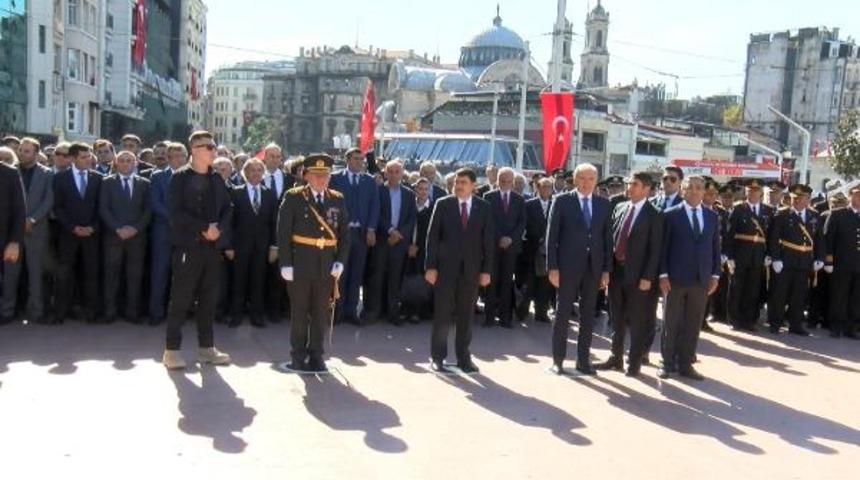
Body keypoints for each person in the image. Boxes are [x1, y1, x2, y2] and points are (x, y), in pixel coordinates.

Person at [162, 131, 232, 370]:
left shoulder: (216, 178)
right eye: (209, 147)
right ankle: (171, 351)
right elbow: (175, 213)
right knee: (181, 299)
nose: (214, 151)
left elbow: (227, 208)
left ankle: (206, 348)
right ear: (195, 149)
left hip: (212, 249)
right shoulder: (180, 178)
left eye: (214, 146)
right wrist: (203, 227)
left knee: (208, 300)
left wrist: (218, 229)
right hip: (187, 247)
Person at [277, 154, 349, 372]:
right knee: (299, 311)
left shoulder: (337, 198)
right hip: (300, 263)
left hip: (326, 264)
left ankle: (317, 354)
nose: (321, 179)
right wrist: (285, 263)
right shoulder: (294, 197)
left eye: (325, 175)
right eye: (316, 175)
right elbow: (283, 233)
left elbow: (345, 235)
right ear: (306, 175)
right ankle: (297, 355)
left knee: (321, 312)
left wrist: (340, 262)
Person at [424, 168, 493, 373]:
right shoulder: (443, 204)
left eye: (463, 182)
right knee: (442, 315)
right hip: (445, 270)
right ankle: (438, 357)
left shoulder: (484, 207)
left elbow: (488, 241)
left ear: (473, 185)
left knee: (466, 316)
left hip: (471, 271)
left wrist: (486, 270)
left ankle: (464, 357)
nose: (459, 186)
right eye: (456, 182)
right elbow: (432, 238)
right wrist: (430, 267)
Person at [546, 163, 612, 375]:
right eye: (582, 178)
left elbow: (606, 239)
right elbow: (551, 237)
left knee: (588, 316)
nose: (586, 183)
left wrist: (606, 270)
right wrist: (553, 267)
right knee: (563, 313)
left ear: (596, 181)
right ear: (574, 180)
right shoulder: (562, 201)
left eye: (591, 179)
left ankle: (583, 360)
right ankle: (558, 360)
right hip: (567, 268)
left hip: (593, 268)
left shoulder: (603, 204)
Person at [595, 172, 663, 377]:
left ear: (646, 189)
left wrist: (648, 278)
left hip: (639, 277)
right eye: (628, 183)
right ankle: (615, 357)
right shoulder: (620, 207)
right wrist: (606, 270)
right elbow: (611, 240)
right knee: (616, 318)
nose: (629, 187)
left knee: (638, 320)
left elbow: (656, 250)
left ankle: (634, 363)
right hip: (617, 273)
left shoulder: (656, 214)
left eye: (634, 184)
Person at [658, 176, 721, 381]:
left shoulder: (712, 216)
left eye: (699, 188)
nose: (695, 191)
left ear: (704, 192)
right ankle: (666, 363)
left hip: (701, 278)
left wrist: (715, 274)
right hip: (675, 278)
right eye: (690, 187)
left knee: (693, 323)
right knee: (671, 322)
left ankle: (686, 363)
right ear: (683, 190)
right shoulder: (670, 215)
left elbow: (715, 248)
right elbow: (663, 248)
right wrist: (663, 274)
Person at [1, 139, 53, 324]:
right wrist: (19, 222)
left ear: (36, 153)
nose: (22, 153)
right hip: (12, 231)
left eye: (27, 151)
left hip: (36, 229)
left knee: (35, 272)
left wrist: (31, 219)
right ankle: (7, 310)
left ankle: (36, 311)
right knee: (10, 273)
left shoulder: (46, 174)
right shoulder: (9, 172)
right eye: (21, 150)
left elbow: (48, 200)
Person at [53, 142, 103, 324]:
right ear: (73, 158)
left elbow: (101, 207)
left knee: (91, 274)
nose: (88, 160)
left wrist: (92, 227)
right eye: (83, 157)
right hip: (68, 234)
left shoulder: (98, 178)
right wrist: (72, 227)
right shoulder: (60, 178)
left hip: (92, 235)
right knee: (64, 273)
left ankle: (91, 312)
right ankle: (61, 312)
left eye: (89, 156)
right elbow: (58, 207)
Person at [329, 147, 380, 325]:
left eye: (362, 159)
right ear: (348, 160)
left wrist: (372, 229)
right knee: (340, 272)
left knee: (357, 272)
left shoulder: (369, 181)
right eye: (356, 159)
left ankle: (351, 310)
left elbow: (375, 205)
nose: (360, 162)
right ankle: (338, 310)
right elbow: (331, 205)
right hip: (342, 233)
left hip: (361, 233)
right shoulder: (336, 179)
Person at [99, 151, 151, 323]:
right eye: (122, 160)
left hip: (137, 238)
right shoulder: (106, 183)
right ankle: (110, 312)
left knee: (134, 276)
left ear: (136, 163)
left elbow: (148, 211)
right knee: (111, 276)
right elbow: (103, 209)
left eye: (129, 161)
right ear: (116, 163)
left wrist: (135, 229)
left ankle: (132, 313)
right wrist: (117, 229)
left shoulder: (144, 184)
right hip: (114, 237)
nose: (126, 163)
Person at [766, 184, 824, 335]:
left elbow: (819, 239)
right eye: (794, 198)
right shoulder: (781, 214)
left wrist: (820, 258)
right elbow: (773, 238)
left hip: (804, 260)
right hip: (785, 259)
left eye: (800, 198)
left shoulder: (814, 216)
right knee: (779, 293)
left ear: (808, 200)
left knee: (799, 295)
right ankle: (775, 323)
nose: (797, 201)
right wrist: (775, 258)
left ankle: (796, 324)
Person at [228, 158, 278, 328]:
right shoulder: (236, 192)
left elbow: (274, 222)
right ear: (245, 173)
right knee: (239, 281)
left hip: (262, 247)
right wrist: (228, 246)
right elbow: (230, 223)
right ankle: (236, 315)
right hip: (240, 246)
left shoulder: (270, 194)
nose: (256, 173)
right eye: (252, 170)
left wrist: (274, 246)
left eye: (259, 170)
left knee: (258, 280)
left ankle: (257, 315)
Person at [367, 160, 416, 325]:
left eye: (397, 171)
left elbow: (411, 218)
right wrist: (390, 230)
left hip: (399, 243)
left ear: (402, 173)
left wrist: (400, 234)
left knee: (395, 278)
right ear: (385, 173)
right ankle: (374, 312)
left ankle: (393, 312)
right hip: (382, 240)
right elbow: (376, 214)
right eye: (391, 171)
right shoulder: (378, 191)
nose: (394, 174)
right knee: (377, 277)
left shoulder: (409, 194)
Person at [726, 179, 774, 331]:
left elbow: (771, 235)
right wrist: (729, 256)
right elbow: (729, 234)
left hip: (758, 254)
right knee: (737, 287)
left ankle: (749, 320)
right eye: (750, 190)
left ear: (761, 192)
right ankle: (734, 319)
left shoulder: (768, 210)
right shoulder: (738, 209)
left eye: (756, 190)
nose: (753, 193)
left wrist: (769, 254)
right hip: (740, 253)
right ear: (746, 192)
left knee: (753, 288)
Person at [148, 142, 187, 325]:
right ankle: (156, 312)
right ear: (169, 158)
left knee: (182, 276)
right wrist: (173, 218)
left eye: (182, 156)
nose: (179, 159)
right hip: (163, 232)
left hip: (186, 234)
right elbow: (155, 203)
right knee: (159, 273)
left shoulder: (194, 177)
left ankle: (179, 314)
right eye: (175, 156)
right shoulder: (157, 177)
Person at [482, 167, 526, 328]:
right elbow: (488, 221)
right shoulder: (488, 197)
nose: (505, 183)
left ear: (513, 182)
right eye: (502, 180)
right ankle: (489, 317)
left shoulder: (519, 200)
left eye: (508, 181)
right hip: (493, 246)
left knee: (507, 282)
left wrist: (510, 238)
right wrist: (499, 237)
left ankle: (505, 317)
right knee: (491, 281)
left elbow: (522, 223)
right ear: (498, 180)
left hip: (511, 247)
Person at [823, 185, 860, 339]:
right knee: (839, 296)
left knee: (856, 298)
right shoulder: (838, 214)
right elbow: (828, 238)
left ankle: (851, 328)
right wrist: (828, 261)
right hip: (841, 264)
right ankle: (836, 326)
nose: (859, 198)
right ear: (850, 196)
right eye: (857, 195)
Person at [517, 177, 555, 323]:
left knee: (545, 284)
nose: (546, 190)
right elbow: (524, 225)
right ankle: (522, 311)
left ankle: (541, 312)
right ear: (537, 188)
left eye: (549, 187)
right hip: (532, 250)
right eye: (543, 186)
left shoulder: (555, 204)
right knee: (529, 283)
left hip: (548, 251)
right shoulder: (529, 205)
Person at [0, 153, 25, 324]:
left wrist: (15, 242)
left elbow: (19, 210)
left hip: (5, 238)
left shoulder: (10, 173)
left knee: (8, 279)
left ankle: (6, 312)